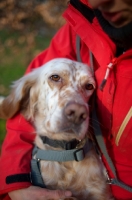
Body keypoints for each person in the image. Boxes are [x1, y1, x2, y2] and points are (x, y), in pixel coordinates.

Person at [0, 0, 132, 199]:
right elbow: (19, 112)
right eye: (56, 79)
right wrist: (15, 182)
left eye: (88, 87)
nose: (76, 106)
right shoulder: (79, 30)